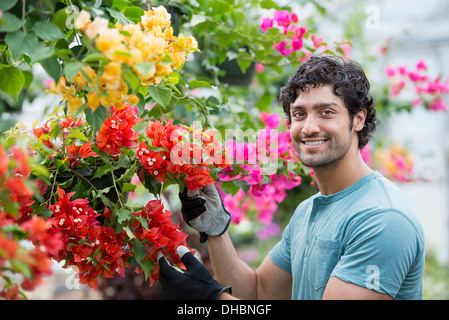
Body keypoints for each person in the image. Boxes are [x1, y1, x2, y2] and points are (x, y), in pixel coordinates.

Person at [157, 56, 425, 300]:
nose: (309, 127)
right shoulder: (308, 211)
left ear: (358, 119)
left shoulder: (381, 218)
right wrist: (217, 230)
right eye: (299, 114)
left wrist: (213, 299)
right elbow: (257, 293)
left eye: (326, 112)